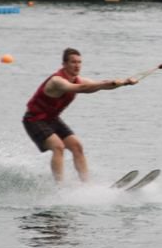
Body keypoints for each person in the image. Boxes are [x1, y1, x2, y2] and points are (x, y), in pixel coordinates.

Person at [23, 48, 137, 182]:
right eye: (73, 62)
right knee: (58, 146)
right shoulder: (57, 81)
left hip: (52, 118)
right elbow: (81, 89)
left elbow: (99, 85)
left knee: (77, 146)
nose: (77, 65)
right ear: (64, 64)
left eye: (79, 62)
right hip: (34, 119)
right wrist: (109, 83)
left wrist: (124, 83)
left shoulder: (79, 79)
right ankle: (59, 187)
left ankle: (86, 185)